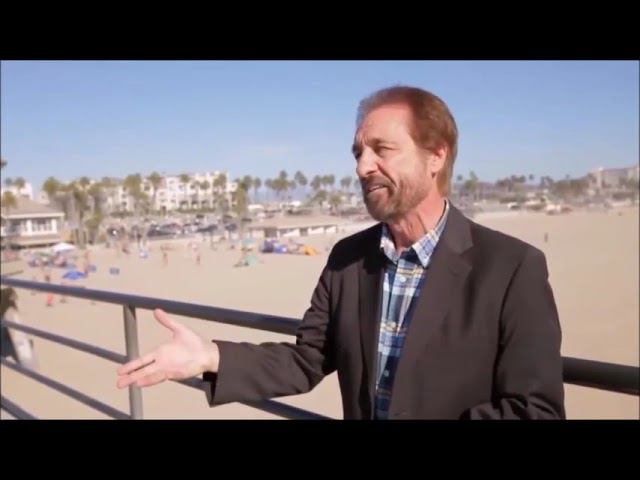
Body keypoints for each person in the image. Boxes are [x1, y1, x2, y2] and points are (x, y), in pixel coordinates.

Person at [116, 86, 565, 419]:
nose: (363, 166)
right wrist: (209, 357)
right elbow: (307, 359)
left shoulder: (512, 268)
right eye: (358, 153)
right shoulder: (348, 258)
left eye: (382, 149)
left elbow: (535, 410)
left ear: (436, 156)